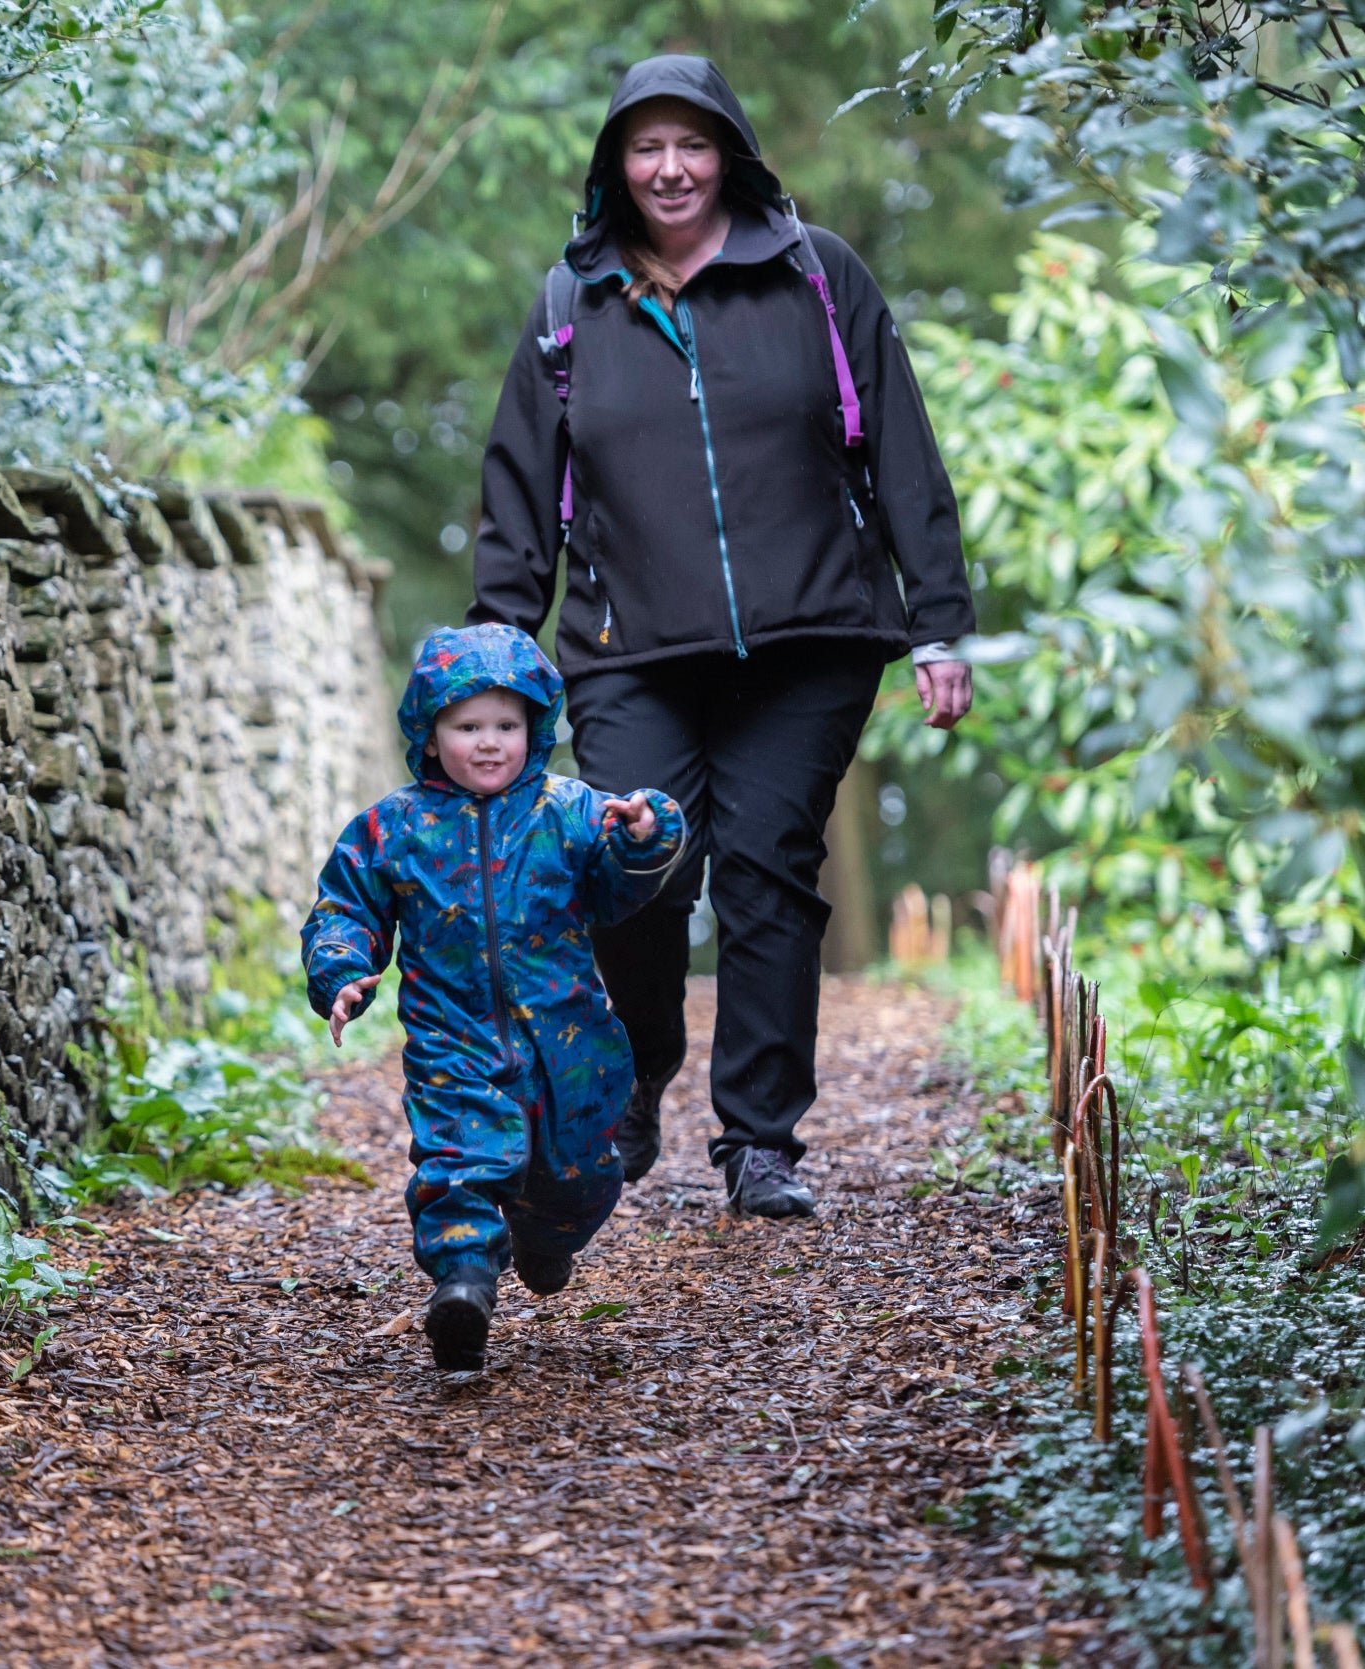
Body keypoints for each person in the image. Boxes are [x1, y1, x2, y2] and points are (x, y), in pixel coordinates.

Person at [469, 55, 977, 1220]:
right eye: (644, 149)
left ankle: (759, 1141)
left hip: (811, 635)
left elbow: (902, 450)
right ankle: (647, 1059)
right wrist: (493, 663)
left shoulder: (814, 275)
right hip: (627, 646)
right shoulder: (572, 302)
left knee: (765, 872)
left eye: (689, 144)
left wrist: (942, 622)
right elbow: (516, 495)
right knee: (643, 867)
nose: (669, 168)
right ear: (614, 169)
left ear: (728, 152)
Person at [302, 623, 685, 1372]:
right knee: (458, 1160)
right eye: (466, 725)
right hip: (454, 1040)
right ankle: (464, 1287)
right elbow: (346, 905)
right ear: (430, 729)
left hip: (569, 1043)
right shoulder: (395, 826)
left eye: (506, 725)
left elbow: (614, 889)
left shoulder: (567, 811)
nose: (487, 742)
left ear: (534, 726)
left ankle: (546, 1238)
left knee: (576, 1173)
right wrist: (342, 968)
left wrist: (643, 835)